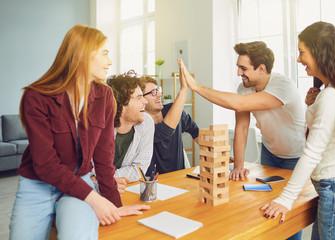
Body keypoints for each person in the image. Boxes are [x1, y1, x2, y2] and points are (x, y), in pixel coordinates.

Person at [9, 24, 149, 240]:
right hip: (36, 185)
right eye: (104, 53)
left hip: (79, 183)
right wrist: (94, 198)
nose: (109, 62)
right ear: (83, 54)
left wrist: (112, 204)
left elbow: (104, 159)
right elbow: (45, 164)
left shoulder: (104, 96)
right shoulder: (36, 97)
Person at [179, 42, 306, 240]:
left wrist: (195, 87)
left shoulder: (283, 86)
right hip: (270, 152)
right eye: (238, 67)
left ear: (262, 68)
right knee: (268, 207)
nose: (239, 73)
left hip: (297, 156)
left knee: (288, 212)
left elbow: (238, 105)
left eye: (244, 68)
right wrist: (238, 166)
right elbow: (242, 127)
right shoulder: (244, 87)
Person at [260, 21, 335, 240]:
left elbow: (313, 152)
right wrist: (312, 106)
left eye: (302, 52)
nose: (298, 59)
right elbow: (329, 135)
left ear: (319, 53)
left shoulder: (332, 96)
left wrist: (285, 200)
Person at [141, 60, 199, 175]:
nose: (159, 94)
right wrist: (183, 89)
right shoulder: (141, 124)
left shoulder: (174, 111)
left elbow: (196, 132)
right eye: (153, 92)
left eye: (158, 90)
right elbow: (164, 130)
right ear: (141, 99)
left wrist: (219, 154)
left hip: (179, 180)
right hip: (154, 184)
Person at [106, 70, 154, 182]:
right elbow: (90, 172)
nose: (145, 102)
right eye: (139, 98)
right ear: (121, 104)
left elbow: (139, 170)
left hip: (125, 188)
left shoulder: (146, 123)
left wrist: (107, 179)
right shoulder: (98, 126)